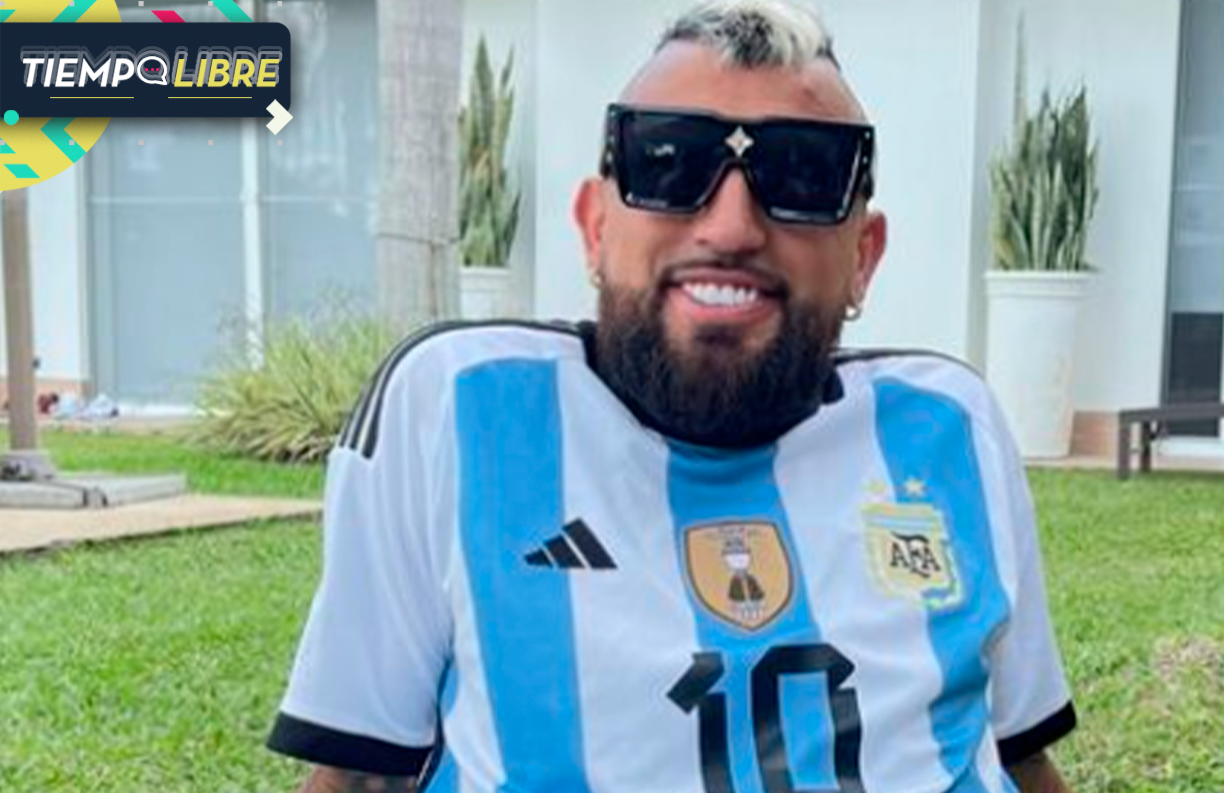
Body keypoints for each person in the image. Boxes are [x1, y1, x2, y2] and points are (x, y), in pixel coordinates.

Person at [267, 2, 1078, 792]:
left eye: (803, 173)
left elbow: (1018, 758)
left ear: (863, 256)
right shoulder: (457, 406)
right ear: (595, 229)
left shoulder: (950, 425)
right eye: (668, 163)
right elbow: (361, 772)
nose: (731, 227)